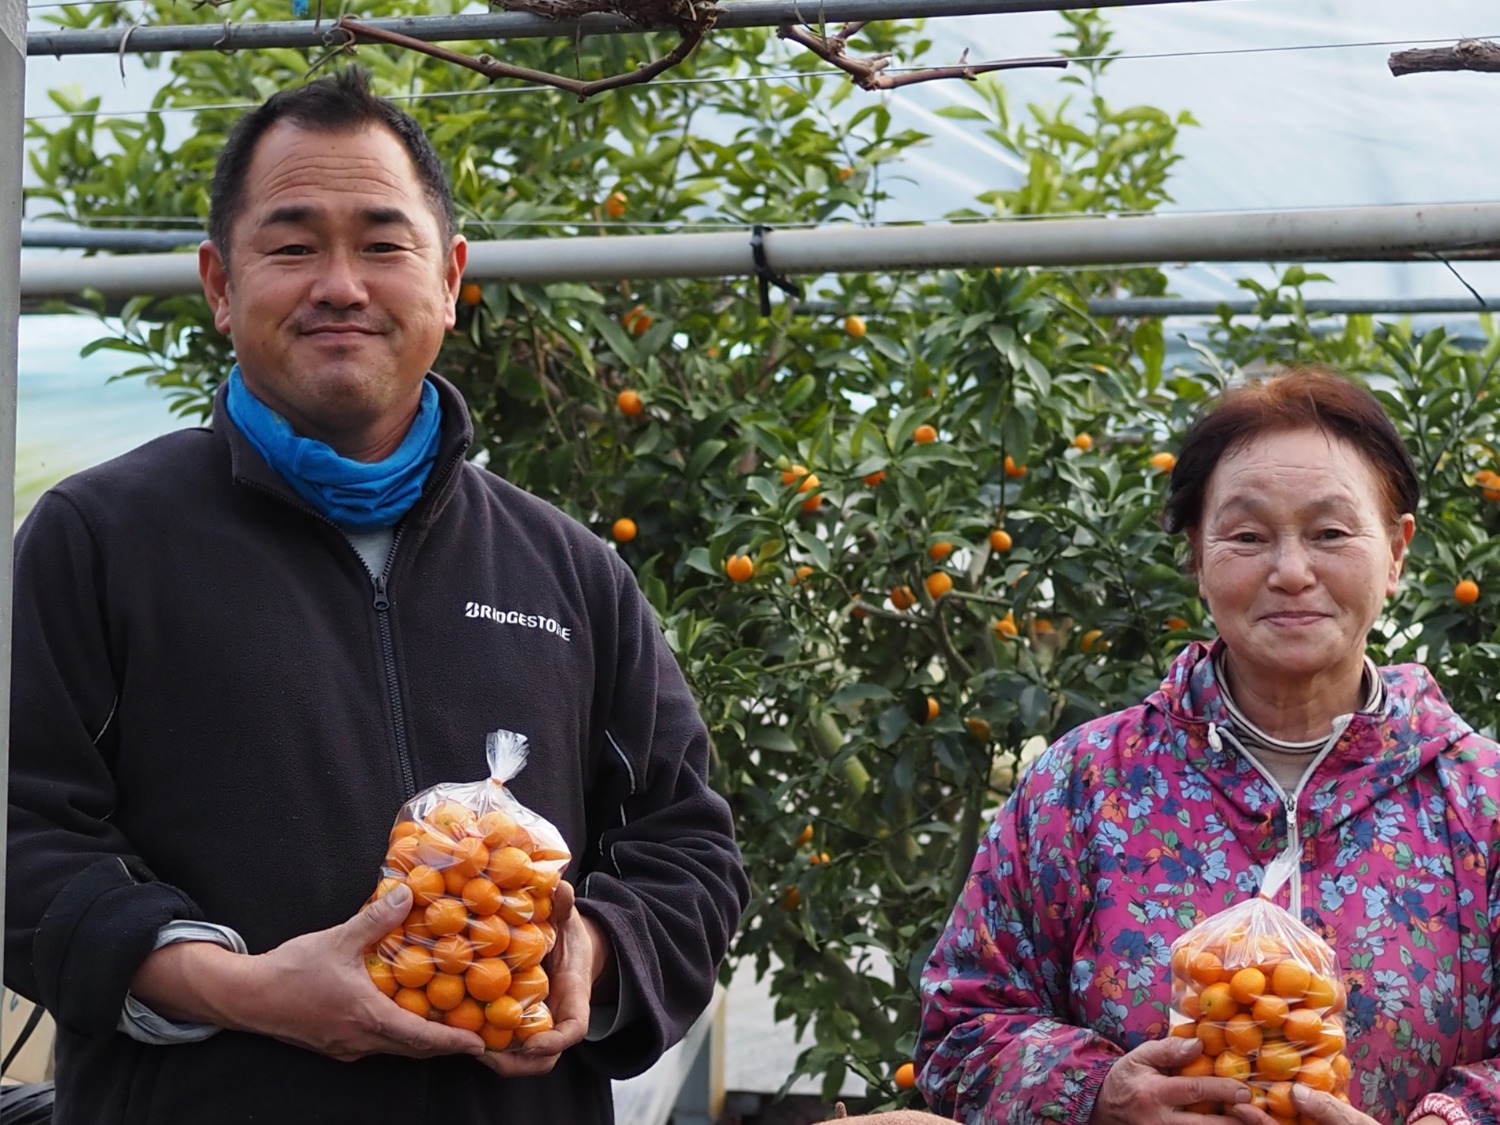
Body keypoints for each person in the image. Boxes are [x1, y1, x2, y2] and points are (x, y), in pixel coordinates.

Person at [5, 67, 749, 1124]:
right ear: (219, 284)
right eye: (294, 244)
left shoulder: (568, 570)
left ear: (448, 279)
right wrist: (238, 990)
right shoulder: (100, 540)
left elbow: (690, 850)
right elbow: (19, 839)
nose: (341, 284)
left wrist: (586, 951)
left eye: (383, 244)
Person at [915, 366, 1499, 1125]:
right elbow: (960, 1028)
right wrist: (1097, 1095)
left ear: (1396, 550)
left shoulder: (1480, 802)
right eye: (1248, 535)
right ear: (1198, 554)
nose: (1291, 572)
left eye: (1330, 532)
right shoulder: (1086, 785)